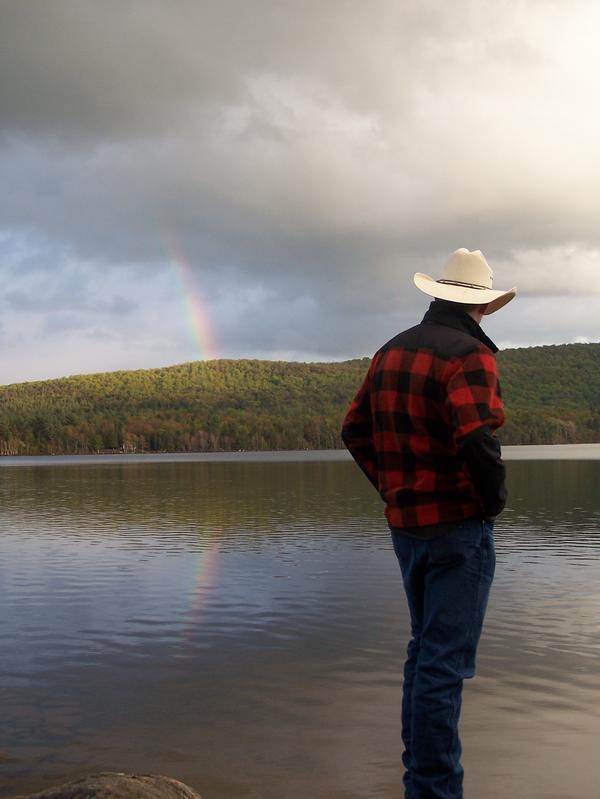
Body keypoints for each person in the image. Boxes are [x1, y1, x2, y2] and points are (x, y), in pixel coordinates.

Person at [341, 248, 516, 799]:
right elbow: (475, 440)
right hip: (459, 528)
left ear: (437, 295)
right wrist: (492, 503)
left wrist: (393, 488)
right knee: (444, 665)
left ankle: (420, 780)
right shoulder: (469, 356)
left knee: (425, 654)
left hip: (407, 526)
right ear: (482, 305)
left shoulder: (389, 352)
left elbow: (354, 430)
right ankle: (436, 791)